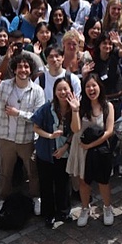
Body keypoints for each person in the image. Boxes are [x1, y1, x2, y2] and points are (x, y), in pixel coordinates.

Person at [0, 53, 45, 219]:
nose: (23, 70)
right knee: (5, 173)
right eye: (19, 67)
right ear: (14, 69)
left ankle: (36, 197)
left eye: (26, 67)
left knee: (32, 172)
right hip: (6, 138)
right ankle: (2, 199)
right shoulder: (5, 85)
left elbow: (39, 116)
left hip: (26, 140)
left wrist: (18, 113)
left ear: (31, 70)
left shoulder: (37, 90)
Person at [67, 74, 117, 226]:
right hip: (81, 149)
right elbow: (75, 129)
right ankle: (84, 208)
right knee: (83, 181)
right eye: (88, 86)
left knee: (103, 181)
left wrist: (91, 145)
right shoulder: (80, 106)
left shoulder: (108, 106)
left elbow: (109, 131)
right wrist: (75, 111)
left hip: (99, 147)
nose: (91, 89)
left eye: (94, 85)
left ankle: (107, 207)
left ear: (100, 87)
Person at [30, 78, 75, 228]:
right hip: (46, 153)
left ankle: (64, 211)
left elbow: (76, 130)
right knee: (46, 184)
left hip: (64, 152)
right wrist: (49, 136)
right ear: (54, 92)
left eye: (65, 89)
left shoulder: (73, 109)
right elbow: (35, 127)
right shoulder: (46, 108)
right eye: (59, 89)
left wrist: (65, 147)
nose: (63, 92)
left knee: (63, 182)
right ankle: (48, 214)